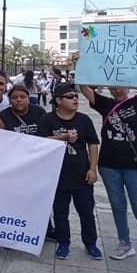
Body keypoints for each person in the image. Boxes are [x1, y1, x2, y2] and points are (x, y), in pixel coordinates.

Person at [74, 47, 137, 273]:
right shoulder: (105, 104)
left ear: (128, 85)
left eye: (121, 85)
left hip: (135, 166)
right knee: (118, 207)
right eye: (113, 86)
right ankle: (124, 243)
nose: (117, 90)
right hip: (109, 166)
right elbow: (84, 88)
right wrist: (81, 62)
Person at [37, 84, 101, 261]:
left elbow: (93, 144)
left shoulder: (83, 120)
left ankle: (91, 243)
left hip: (82, 176)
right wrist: (63, 137)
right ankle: (63, 242)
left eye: (76, 96)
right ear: (58, 100)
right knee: (60, 213)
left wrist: (92, 169)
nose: (75, 99)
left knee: (86, 212)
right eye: (70, 96)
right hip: (57, 177)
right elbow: (40, 141)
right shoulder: (47, 119)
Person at [0, 84, 54, 239]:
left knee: (39, 198)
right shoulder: (4, 115)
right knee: (15, 199)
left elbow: (48, 136)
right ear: (9, 100)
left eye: (22, 97)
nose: (19, 100)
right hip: (15, 166)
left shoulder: (39, 112)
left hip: (37, 165)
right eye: (14, 98)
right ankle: (11, 230)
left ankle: (45, 229)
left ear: (28, 99)